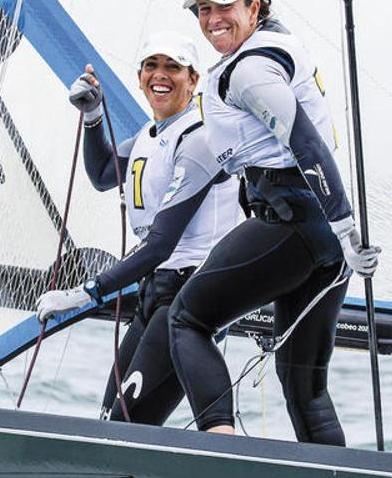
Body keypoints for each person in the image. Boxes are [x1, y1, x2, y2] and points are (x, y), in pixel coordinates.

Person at [146, 0, 381, 446]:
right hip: (323, 234)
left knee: (187, 318)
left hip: (296, 218)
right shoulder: (264, 33)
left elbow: (306, 143)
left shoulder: (250, 72)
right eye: (203, 10)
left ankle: (222, 445)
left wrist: (347, 228)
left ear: (254, 6)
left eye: (224, 8)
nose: (210, 21)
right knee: (304, 386)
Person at [35, 31, 242, 425]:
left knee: (123, 423)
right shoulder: (149, 136)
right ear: (140, 76)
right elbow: (101, 173)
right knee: (111, 420)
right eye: (152, 66)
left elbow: (161, 245)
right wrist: (94, 116)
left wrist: (85, 293)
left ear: (193, 79)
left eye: (173, 67)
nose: (160, 75)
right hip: (154, 294)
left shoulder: (200, 138)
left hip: (189, 297)